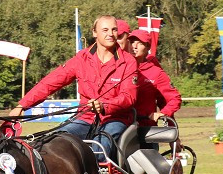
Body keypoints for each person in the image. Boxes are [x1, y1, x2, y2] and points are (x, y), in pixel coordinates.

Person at [9, 14, 138, 156]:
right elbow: (51, 82)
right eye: (105, 30)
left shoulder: (128, 62)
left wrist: (104, 105)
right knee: (52, 142)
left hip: (115, 119)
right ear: (94, 32)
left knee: (99, 149)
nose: (110, 34)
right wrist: (22, 105)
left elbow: (128, 97)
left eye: (114, 30)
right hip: (85, 118)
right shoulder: (81, 58)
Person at [126, 29, 181, 126]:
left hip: (146, 129)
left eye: (140, 43)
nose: (134, 46)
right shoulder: (119, 67)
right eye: (131, 42)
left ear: (147, 47)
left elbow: (174, 98)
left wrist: (163, 113)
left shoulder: (157, 73)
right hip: (122, 125)